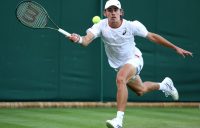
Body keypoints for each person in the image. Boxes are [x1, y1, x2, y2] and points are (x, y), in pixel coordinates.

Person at [67, 0, 193, 128]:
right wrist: (78, 39)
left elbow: (153, 37)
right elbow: (86, 40)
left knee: (120, 79)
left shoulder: (132, 25)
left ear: (121, 12)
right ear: (105, 13)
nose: (113, 13)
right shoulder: (100, 26)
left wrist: (175, 47)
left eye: (115, 10)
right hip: (120, 65)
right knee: (141, 90)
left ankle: (118, 121)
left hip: (134, 59)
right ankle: (164, 85)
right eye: (109, 10)